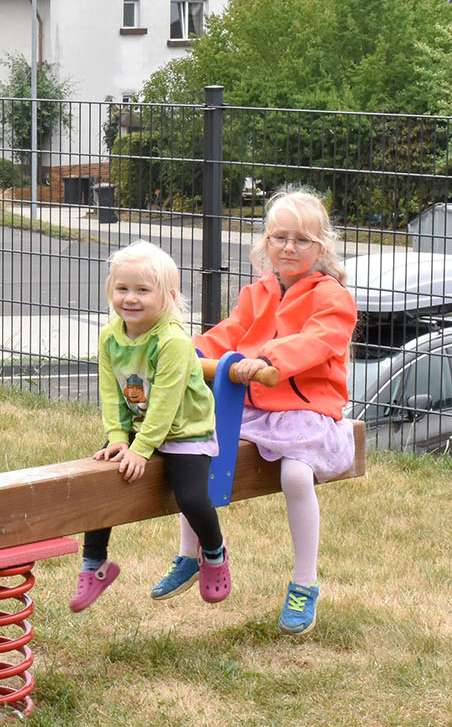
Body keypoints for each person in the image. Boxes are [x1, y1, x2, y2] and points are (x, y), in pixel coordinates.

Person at [187, 189, 358, 636]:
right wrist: (189, 350)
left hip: (305, 410)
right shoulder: (257, 292)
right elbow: (229, 333)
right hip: (254, 407)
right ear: (265, 242)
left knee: (296, 477)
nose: (289, 247)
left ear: (321, 248)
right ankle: (194, 553)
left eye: (302, 240)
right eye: (279, 237)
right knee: (193, 449)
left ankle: (304, 582)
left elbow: (317, 341)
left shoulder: (333, 298)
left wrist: (266, 359)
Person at [70, 241, 231, 613]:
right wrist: (118, 439)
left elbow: (166, 403)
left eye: (143, 290)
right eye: (122, 288)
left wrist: (141, 449)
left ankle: (214, 553)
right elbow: (111, 393)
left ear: (168, 297)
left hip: (185, 430)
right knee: (101, 481)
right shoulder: (110, 337)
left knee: (190, 497)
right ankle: (95, 564)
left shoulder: (172, 340)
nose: (130, 298)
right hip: (140, 428)